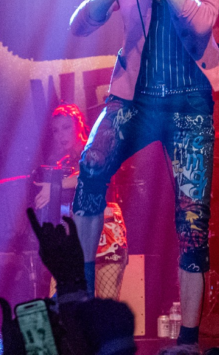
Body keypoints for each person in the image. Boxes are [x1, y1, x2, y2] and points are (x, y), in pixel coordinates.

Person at [69, 0, 219, 348]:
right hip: (133, 99)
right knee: (91, 166)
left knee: (193, 218)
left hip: (189, 103)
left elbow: (202, 22)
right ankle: (82, 299)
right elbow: (79, 25)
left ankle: (187, 339)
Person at [31, 103, 128, 300]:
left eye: (66, 127)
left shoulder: (95, 148)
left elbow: (88, 174)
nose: (61, 135)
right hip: (75, 239)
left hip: (105, 232)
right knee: (63, 307)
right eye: (56, 130)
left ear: (79, 125)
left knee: (103, 309)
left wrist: (55, 188)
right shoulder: (62, 163)